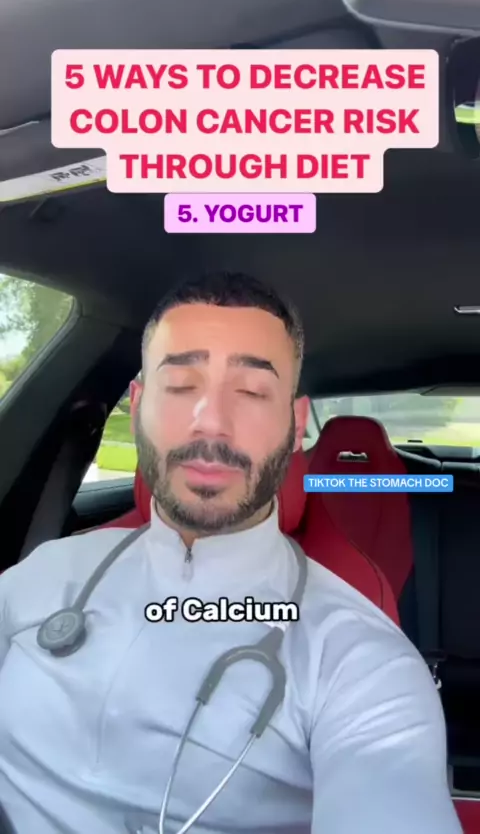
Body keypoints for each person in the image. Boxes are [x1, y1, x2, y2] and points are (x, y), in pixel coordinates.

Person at [0, 270, 461, 834]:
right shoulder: (47, 572)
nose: (211, 422)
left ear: (295, 425)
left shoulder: (361, 663)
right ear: (138, 406)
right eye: (180, 385)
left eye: (251, 392)